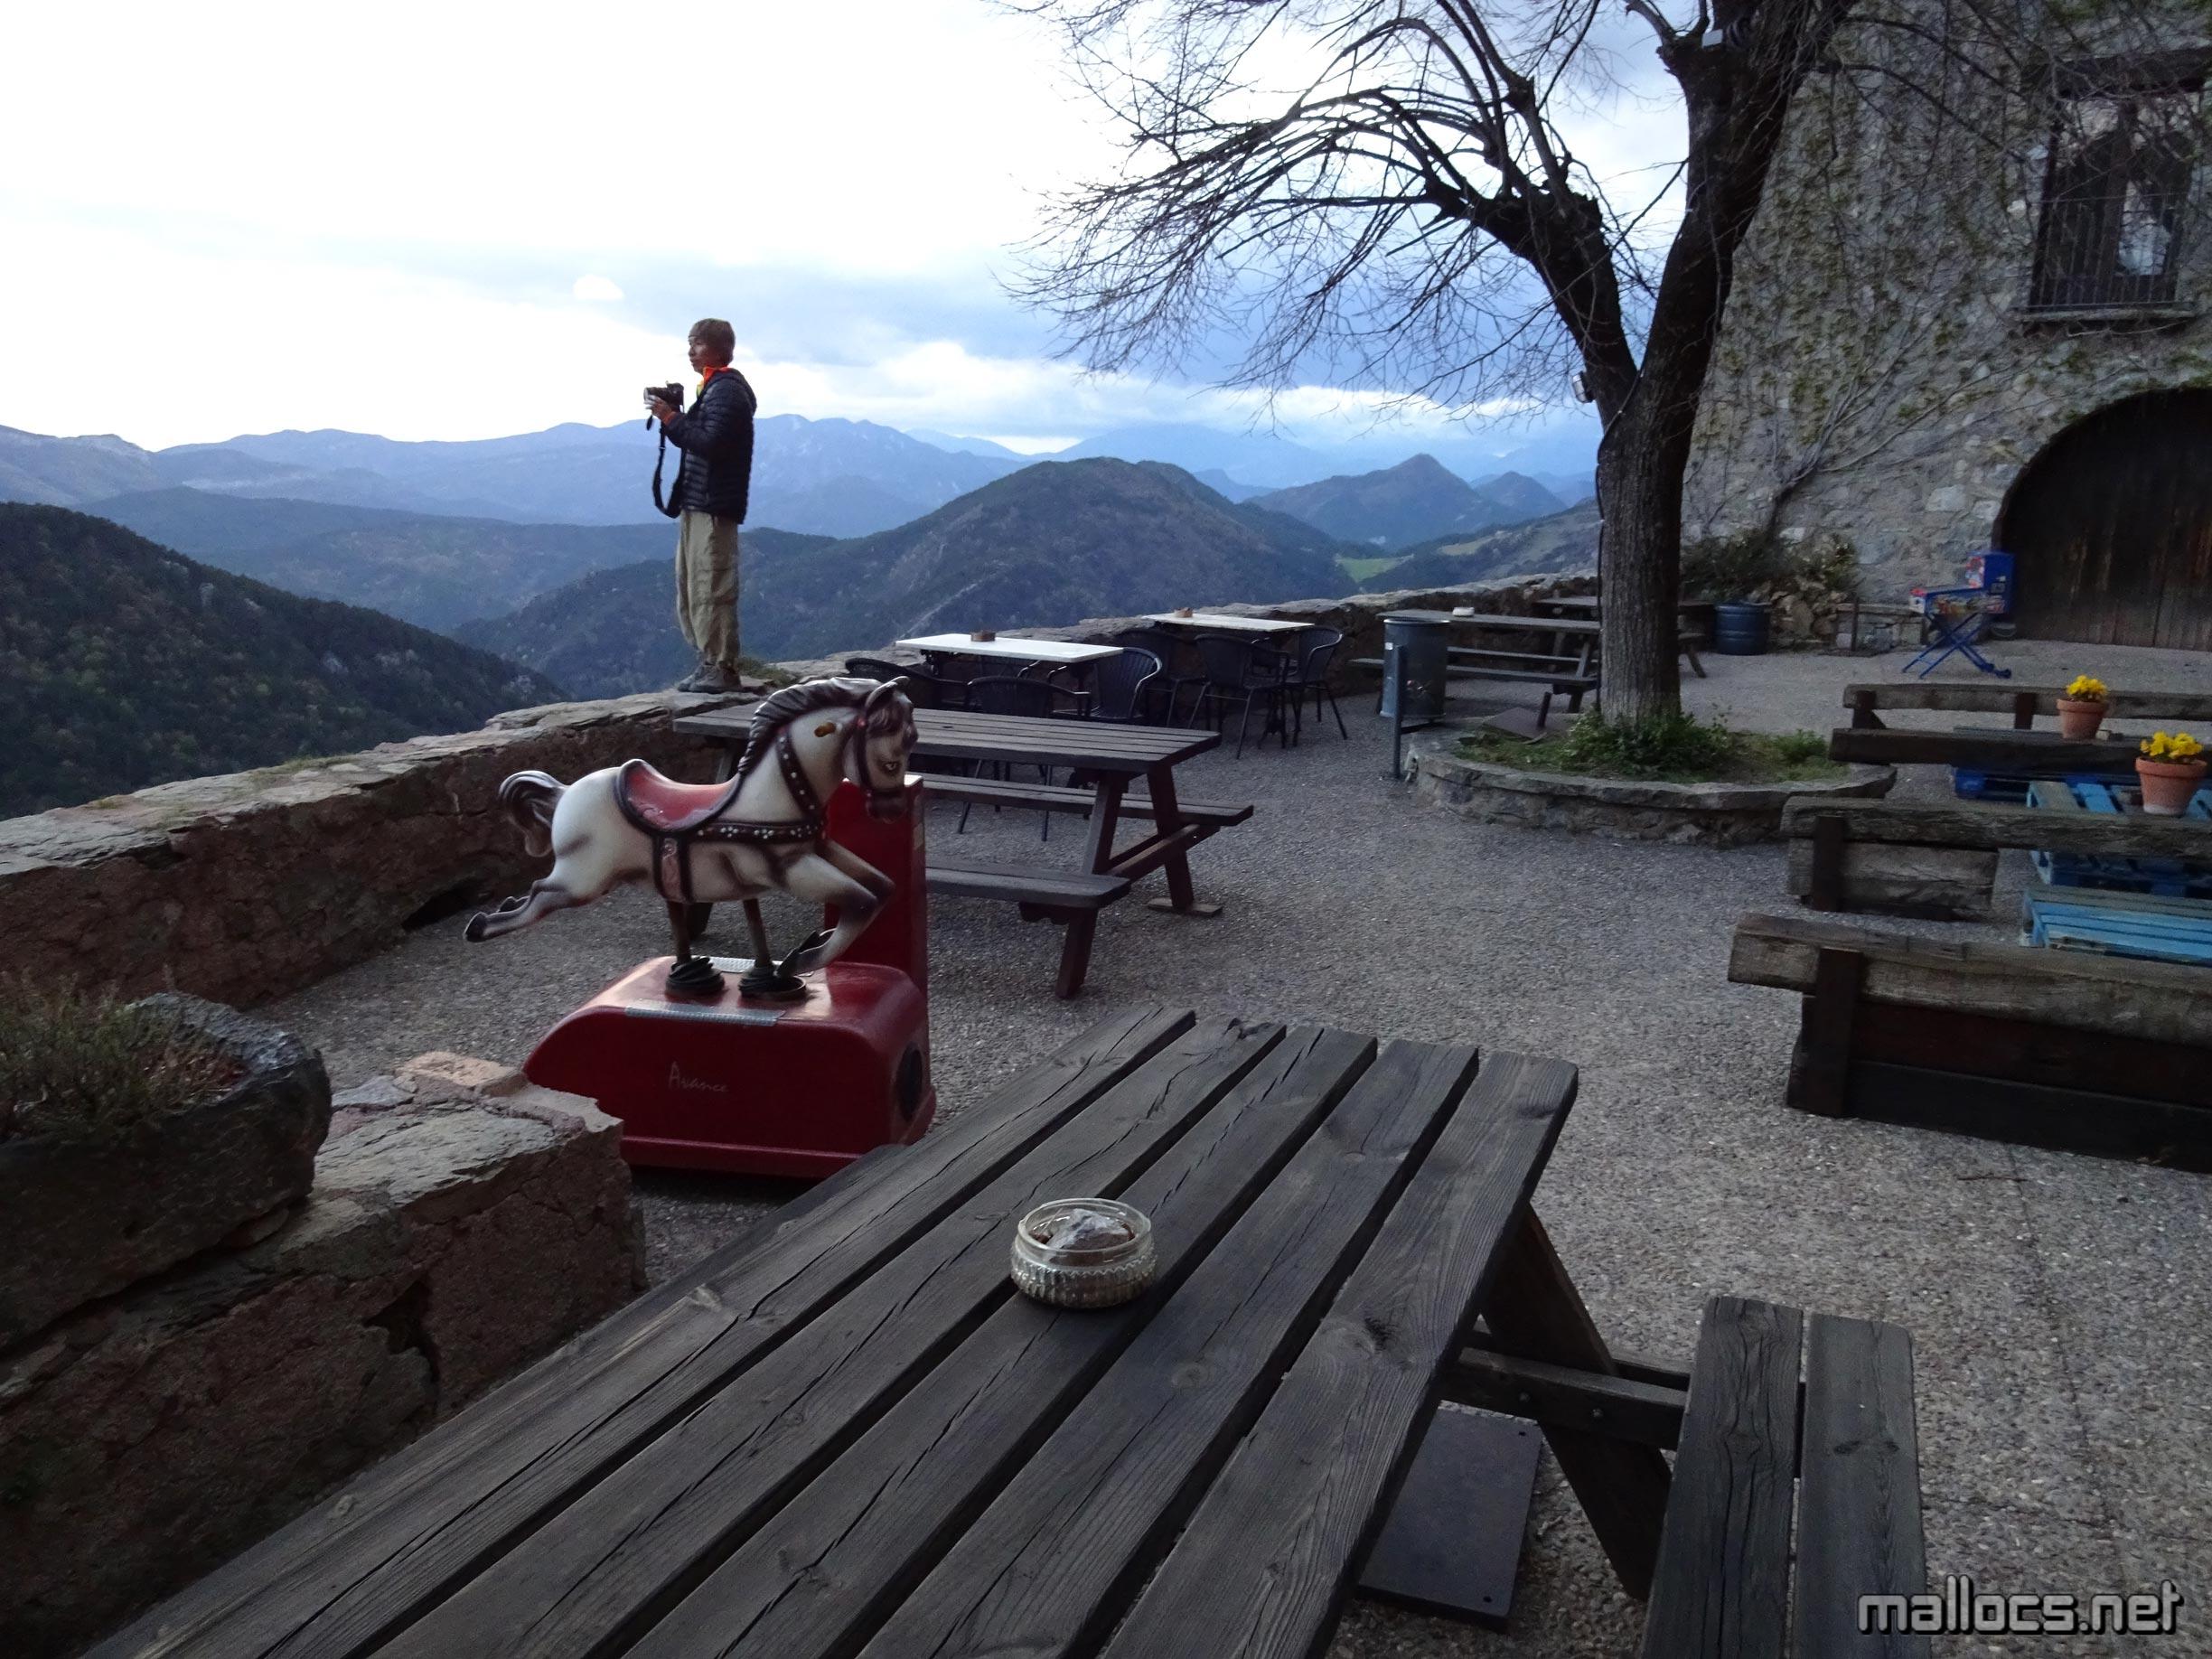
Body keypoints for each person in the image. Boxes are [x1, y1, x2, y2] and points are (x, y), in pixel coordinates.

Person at [650, 319, 757, 693]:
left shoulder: (726, 391)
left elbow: (711, 444)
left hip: (714, 504)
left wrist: (670, 418)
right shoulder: (712, 389)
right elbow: (699, 438)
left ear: (717, 348)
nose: (690, 351)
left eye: (696, 344)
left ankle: (722, 667)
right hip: (699, 501)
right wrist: (675, 418)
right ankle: (710, 661)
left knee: (712, 584)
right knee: (694, 583)